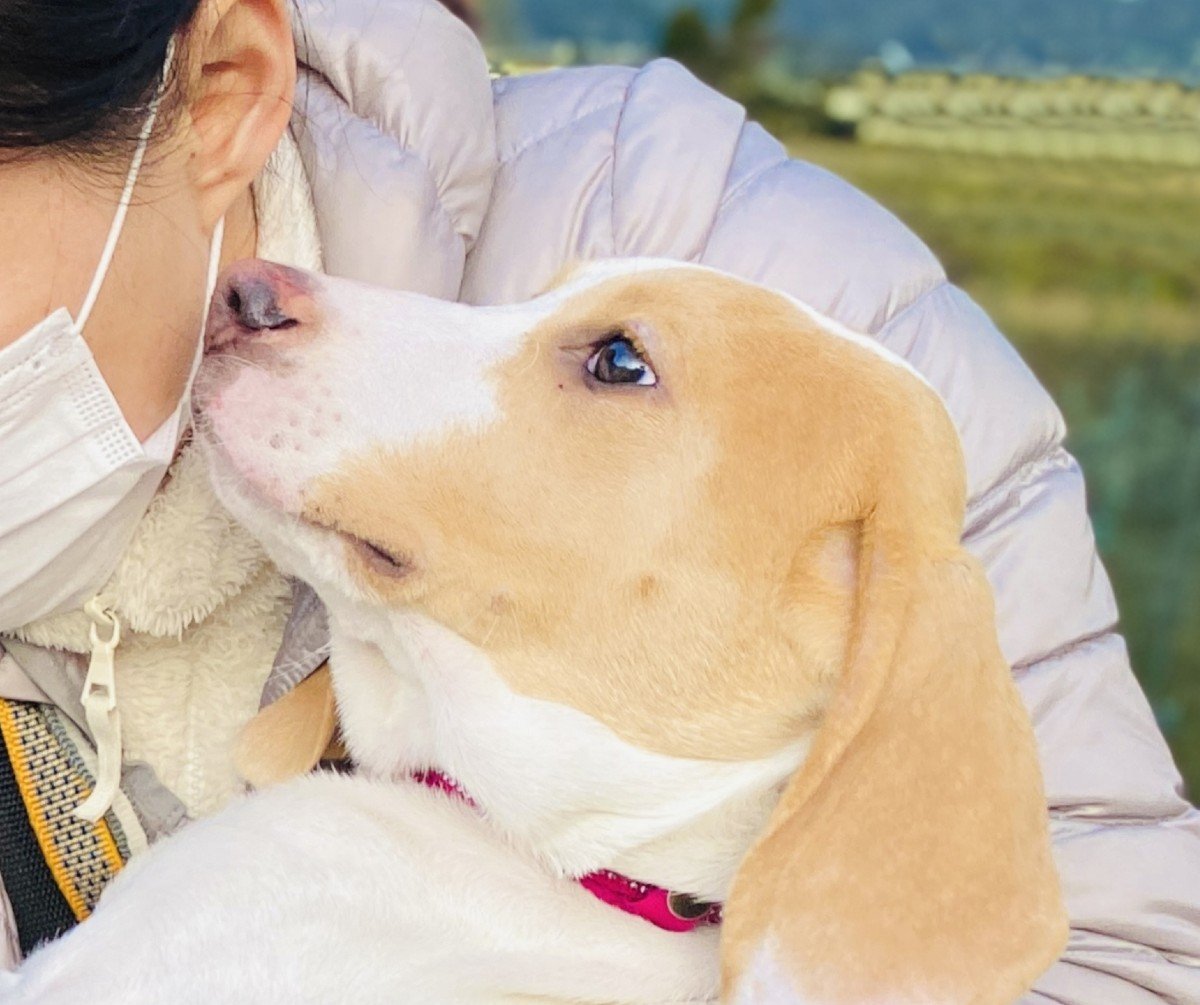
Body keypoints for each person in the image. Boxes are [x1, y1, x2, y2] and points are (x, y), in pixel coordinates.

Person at [0, 0, 1196, 997]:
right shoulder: (335, 845)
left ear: (217, 100)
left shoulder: (745, 265)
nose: (275, 302)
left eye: (612, 364)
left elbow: (1119, 954)